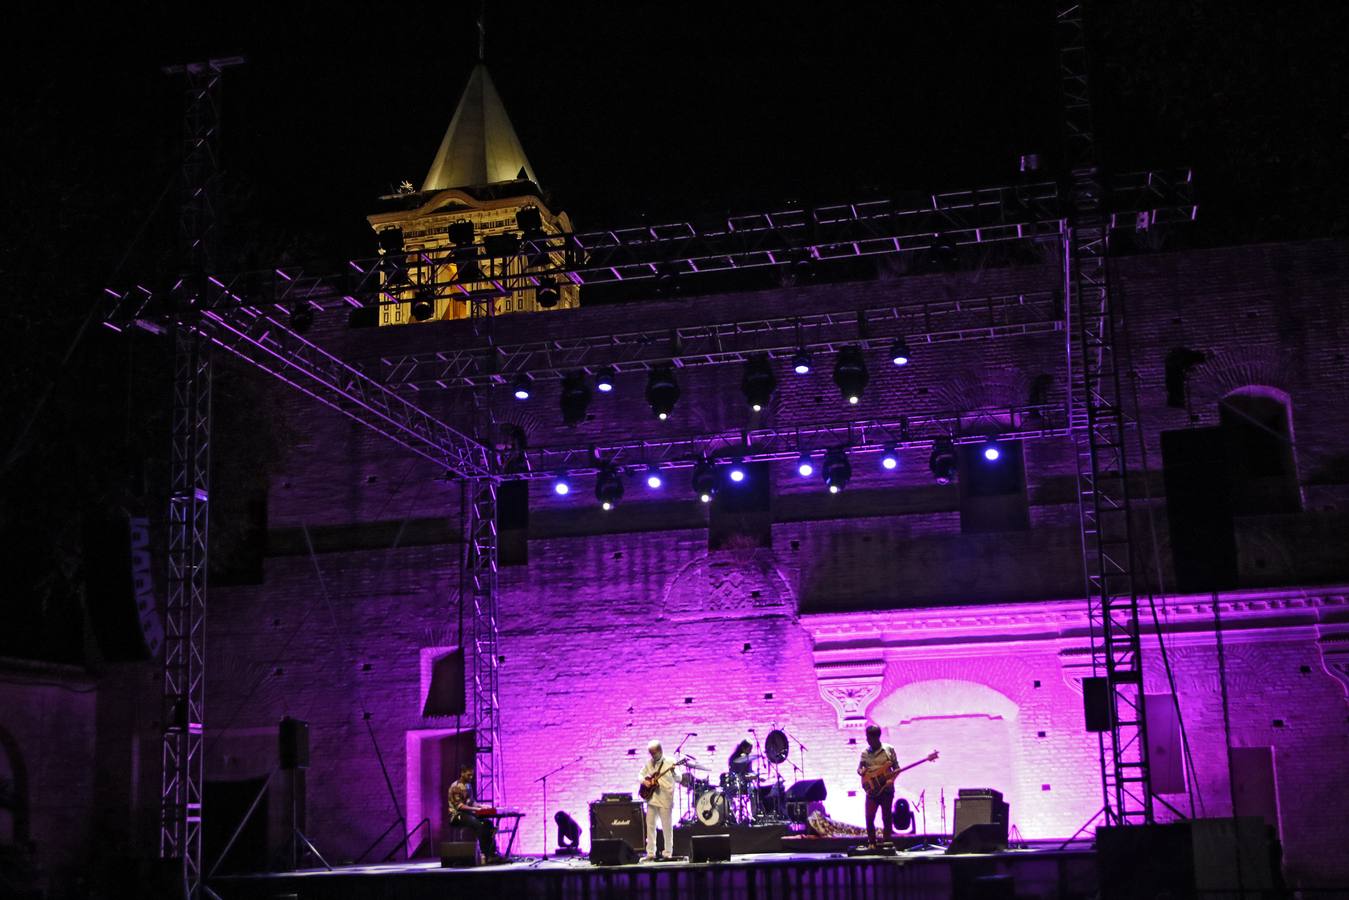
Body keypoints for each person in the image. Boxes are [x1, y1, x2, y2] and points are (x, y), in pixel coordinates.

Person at [447, 765, 502, 863]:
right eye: (468, 775)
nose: (471, 777)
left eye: (472, 775)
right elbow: (460, 806)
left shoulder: (468, 785)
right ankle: (484, 854)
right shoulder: (456, 786)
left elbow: (472, 802)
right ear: (462, 773)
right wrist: (475, 809)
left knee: (487, 824)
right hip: (456, 816)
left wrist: (481, 806)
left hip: (468, 815)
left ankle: (491, 853)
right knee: (477, 823)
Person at [856, 724, 899, 847]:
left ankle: (887, 842)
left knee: (887, 817)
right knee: (869, 817)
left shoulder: (889, 750)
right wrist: (861, 772)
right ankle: (872, 842)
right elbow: (860, 768)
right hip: (872, 789)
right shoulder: (865, 753)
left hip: (886, 789)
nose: (867, 740)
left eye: (869, 737)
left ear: (876, 737)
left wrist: (892, 780)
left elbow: (897, 768)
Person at [639, 739, 677, 861]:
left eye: (654, 753)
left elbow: (679, 778)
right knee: (650, 826)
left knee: (666, 827)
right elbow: (640, 775)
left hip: (665, 799)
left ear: (660, 750)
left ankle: (667, 853)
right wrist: (644, 781)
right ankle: (650, 853)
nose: (652, 756)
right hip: (652, 799)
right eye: (650, 753)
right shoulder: (649, 763)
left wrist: (674, 772)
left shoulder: (670, 761)